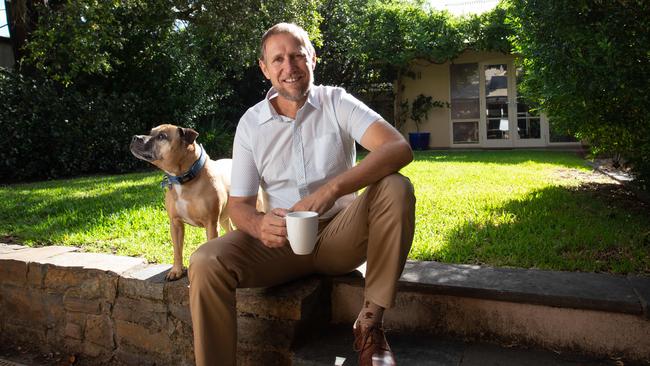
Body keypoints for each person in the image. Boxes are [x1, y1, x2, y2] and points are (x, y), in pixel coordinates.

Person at [188, 22, 415, 366]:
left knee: (396, 186)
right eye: (277, 59)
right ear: (265, 69)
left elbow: (398, 148)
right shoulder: (251, 124)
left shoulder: (336, 101)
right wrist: (259, 225)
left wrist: (333, 189)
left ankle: (370, 324)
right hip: (279, 243)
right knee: (206, 261)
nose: (289, 67)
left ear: (313, 58)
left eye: (297, 55)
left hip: (341, 236)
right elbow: (239, 207)